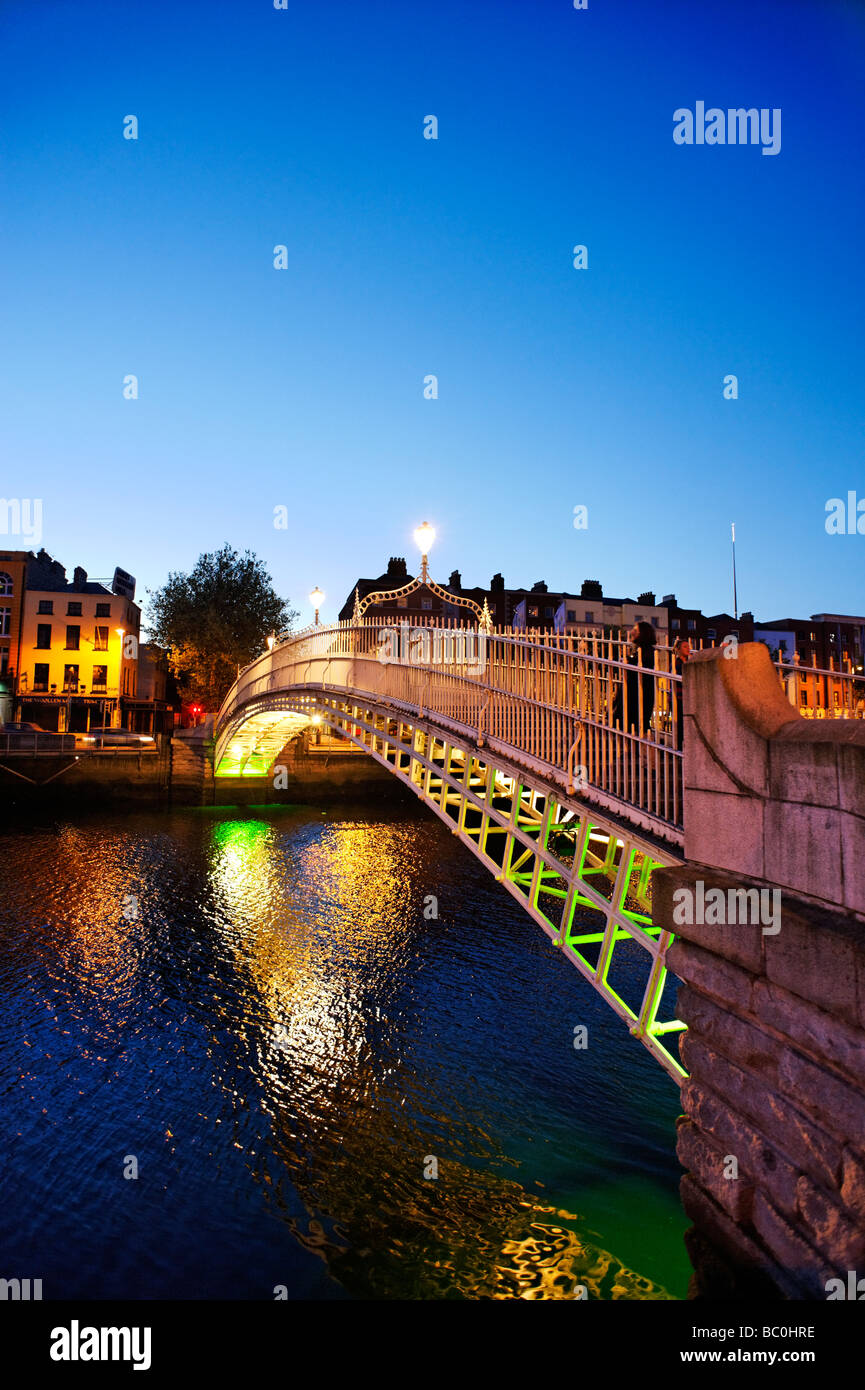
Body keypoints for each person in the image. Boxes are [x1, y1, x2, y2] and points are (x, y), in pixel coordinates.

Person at [613, 622, 657, 736]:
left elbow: (641, 668)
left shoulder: (646, 651)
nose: (632, 632)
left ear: (643, 633)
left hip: (638, 691)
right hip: (634, 691)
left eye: (635, 630)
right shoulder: (639, 649)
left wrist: (628, 662)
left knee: (634, 722)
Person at [671, 636, 691, 749]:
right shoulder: (677, 664)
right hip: (678, 698)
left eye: (688, 646)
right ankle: (678, 747)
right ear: (678, 650)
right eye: (685, 646)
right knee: (679, 725)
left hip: (687, 698)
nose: (688, 648)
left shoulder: (690, 662)